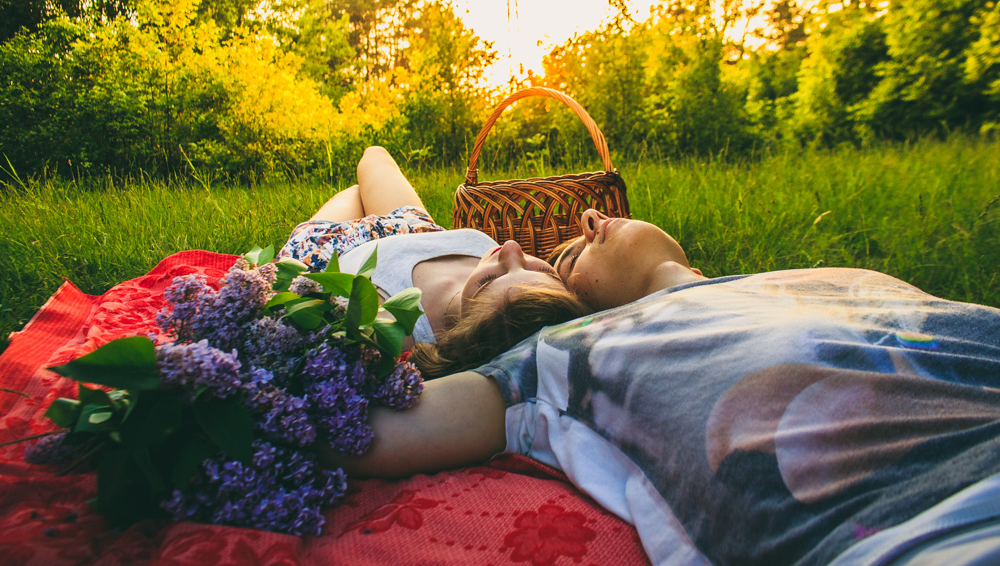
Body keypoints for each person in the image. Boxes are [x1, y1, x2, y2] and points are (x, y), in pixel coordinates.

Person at [326, 206, 1000, 566]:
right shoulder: (562, 351)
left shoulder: (800, 280)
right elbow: (371, 430)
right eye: (567, 257)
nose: (589, 219)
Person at [277, 146, 588, 376]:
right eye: (541, 268)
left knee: (356, 191)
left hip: (333, 247)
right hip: (413, 227)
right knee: (374, 156)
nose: (510, 249)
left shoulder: (398, 326)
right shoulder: (526, 293)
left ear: (468, 330)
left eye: (491, 279)